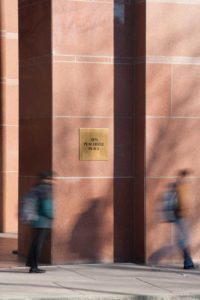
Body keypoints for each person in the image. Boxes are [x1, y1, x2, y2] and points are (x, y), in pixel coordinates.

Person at [26, 171, 54, 273]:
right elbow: (46, 206)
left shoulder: (37, 187)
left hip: (36, 220)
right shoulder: (45, 189)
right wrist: (52, 216)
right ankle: (34, 267)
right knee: (38, 245)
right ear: (47, 179)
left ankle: (32, 265)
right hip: (43, 221)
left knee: (35, 244)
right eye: (51, 179)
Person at [175, 169, 194, 270]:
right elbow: (183, 203)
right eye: (189, 176)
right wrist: (187, 211)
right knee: (184, 240)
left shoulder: (181, 186)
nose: (191, 179)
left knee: (183, 239)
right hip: (182, 216)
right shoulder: (181, 187)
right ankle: (188, 262)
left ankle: (188, 261)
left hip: (183, 216)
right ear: (184, 176)